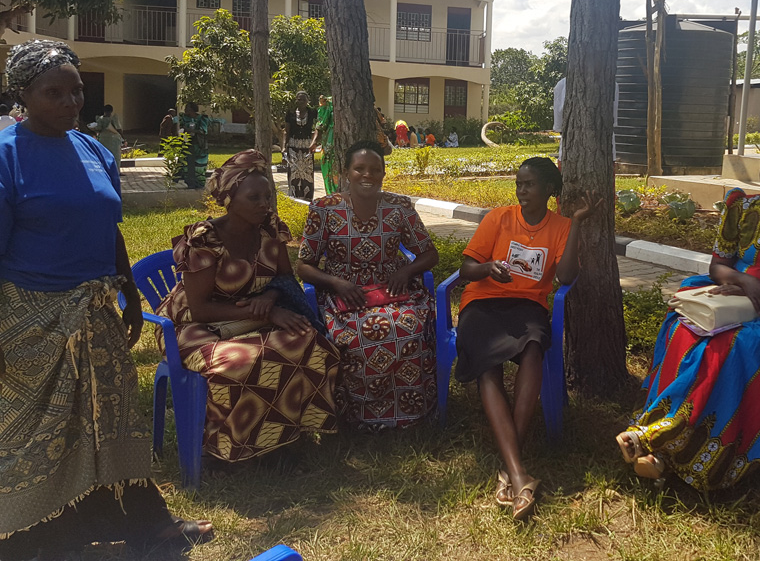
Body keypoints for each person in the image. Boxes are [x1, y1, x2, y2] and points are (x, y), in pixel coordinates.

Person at [0, 39, 212, 560]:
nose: (71, 102)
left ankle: (147, 523)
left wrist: (130, 291)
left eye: (76, 90)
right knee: (40, 432)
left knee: (111, 423)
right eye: (54, 93)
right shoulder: (7, 156)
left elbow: (109, 226)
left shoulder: (93, 150)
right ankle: (33, 536)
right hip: (32, 318)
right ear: (23, 95)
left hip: (98, 311)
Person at [616, 137, 760, 491]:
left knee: (736, 345)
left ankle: (661, 439)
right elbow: (717, 266)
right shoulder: (741, 207)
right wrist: (743, 281)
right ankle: (663, 447)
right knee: (682, 328)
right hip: (729, 295)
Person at [155, 150, 341, 463]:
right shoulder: (205, 240)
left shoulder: (270, 230)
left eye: (267, 196)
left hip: (252, 318)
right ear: (229, 199)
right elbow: (199, 309)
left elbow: (284, 278)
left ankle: (283, 435)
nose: (264, 204)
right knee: (238, 364)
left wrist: (270, 297)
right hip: (192, 327)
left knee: (309, 342)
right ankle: (224, 449)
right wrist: (269, 312)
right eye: (253, 198)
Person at [455, 157, 598, 520]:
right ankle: (519, 473)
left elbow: (566, 278)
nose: (521, 190)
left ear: (549, 189)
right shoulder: (498, 218)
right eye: (518, 183)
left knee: (534, 347)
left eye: (529, 184)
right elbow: (466, 269)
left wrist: (577, 224)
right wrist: (488, 268)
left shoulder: (561, 226)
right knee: (487, 363)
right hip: (483, 303)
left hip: (528, 306)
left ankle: (509, 467)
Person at [297, 140, 439, 430]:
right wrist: (336, 283)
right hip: (343, 294)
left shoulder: (399, 207)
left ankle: (409, 411)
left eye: (375, 169)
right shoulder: (324, 209)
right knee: (358, 333)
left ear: (383, 173)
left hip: (393, 290)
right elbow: (304, 265)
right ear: (346, 173)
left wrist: (406, 271)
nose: (367, 175)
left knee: (409, 325)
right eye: (359, 168)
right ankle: (357, 415)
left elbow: (429, 254)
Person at [283, 91, 317, 200]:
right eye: (298, 99)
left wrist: (314, 142)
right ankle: (294, 197)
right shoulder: (290, 113)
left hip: (307, 146)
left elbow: (317, 128)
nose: (301, 101)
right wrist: (284, 146)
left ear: (307, 101)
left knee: (307, 172)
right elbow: (286, 131)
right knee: (294, 172)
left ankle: (307, 198)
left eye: (303, 99)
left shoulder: (313, 112)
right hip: (293, 147)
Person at [179, 101, 210, 189]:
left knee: (199, 165)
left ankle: (199, 184)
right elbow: (180, 127)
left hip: (199, 145)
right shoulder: (184, 118)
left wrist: (190, 130)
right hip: (188, 145)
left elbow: (203, 131)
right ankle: (190, 183)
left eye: (187, 108)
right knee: (188, 165)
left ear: (192, 110)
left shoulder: (202, 118)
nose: (185, 110)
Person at [309, 95, 337, 194]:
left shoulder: (360, 101)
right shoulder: (327, 102)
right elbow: (320, 125)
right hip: (331, 145)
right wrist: (314, 142)